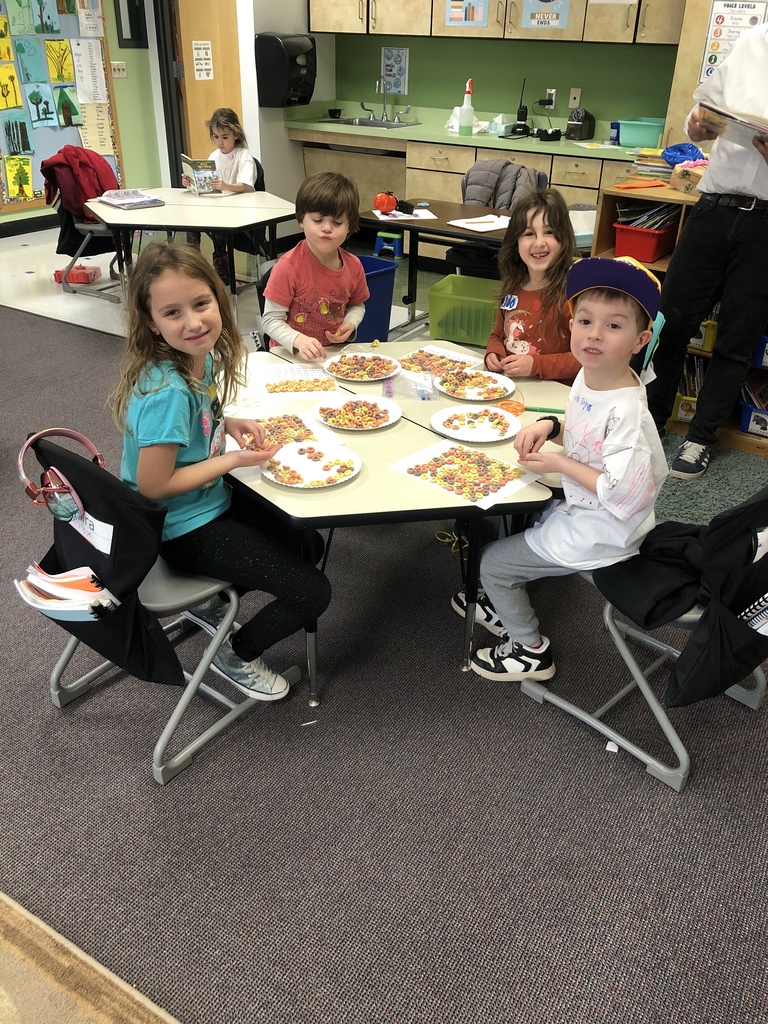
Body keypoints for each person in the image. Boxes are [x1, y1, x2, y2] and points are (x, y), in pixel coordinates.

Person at [110, 241, 331, 700]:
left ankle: (215, 602)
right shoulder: (167, 391)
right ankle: (237, 653)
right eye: (172, 313)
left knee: (305, 539)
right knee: (313, 592)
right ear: (151, 322)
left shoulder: (196, 358)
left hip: (209, 501)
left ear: (217, 298)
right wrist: (229, 459)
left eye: (200, 303)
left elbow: (194, 422)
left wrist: (227, 423)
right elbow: (152, 486)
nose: (192, 322)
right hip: (178, 529)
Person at [459, 256, 668, 683]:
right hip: (582, 507)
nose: (593, 334)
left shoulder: (627, 409)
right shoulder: (595, 375)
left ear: (639, 339)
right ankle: (503, 600)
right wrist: (552, 425)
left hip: (605, 528)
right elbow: (587, 428)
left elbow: (620, 494)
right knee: (521, 513)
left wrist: (559, 462)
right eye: (585, 320)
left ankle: (529, 649)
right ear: (571, 323)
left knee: (493, 563)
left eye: (613, 326)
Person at [643, 22, 768, 481]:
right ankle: (650, 422)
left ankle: (699, 439)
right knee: (669, 324)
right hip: (713, 206)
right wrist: (698, 123)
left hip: (765, 221)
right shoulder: (752, 42)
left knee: (737, 337)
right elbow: (700, 125)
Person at [262, 171, 370, 361]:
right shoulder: (288, 267)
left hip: (331, 357)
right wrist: (299, 340)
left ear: (350, 226)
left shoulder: (354, 266)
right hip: (288, 356)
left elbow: (357, 304)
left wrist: (350, 324)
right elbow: (270, 320)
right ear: (301, 219)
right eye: (318, 220)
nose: (327, 228)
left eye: (337, 222)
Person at [483, 188, 580, 386]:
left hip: (555, 396)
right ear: (515, 242)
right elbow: (497, 335)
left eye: (549, 232)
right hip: (511, 388)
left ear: (564, 238)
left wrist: (537, 365)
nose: (539, 242)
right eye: (528, 233)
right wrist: (493, 352)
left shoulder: (574, 296)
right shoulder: (513, 287)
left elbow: (585, 359)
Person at [182, 107, 261, 284]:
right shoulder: (214, 156)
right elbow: (206, 184)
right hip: (218, 206)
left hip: (239, 209)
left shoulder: (244, 156)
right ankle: (192, 260)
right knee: (191, 223)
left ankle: (221, 265)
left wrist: (226, 185)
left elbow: (245, 186)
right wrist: (191, 182)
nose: (220, 142)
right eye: (216, 137)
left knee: (218, 229)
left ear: (236, 135)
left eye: (224, 137)